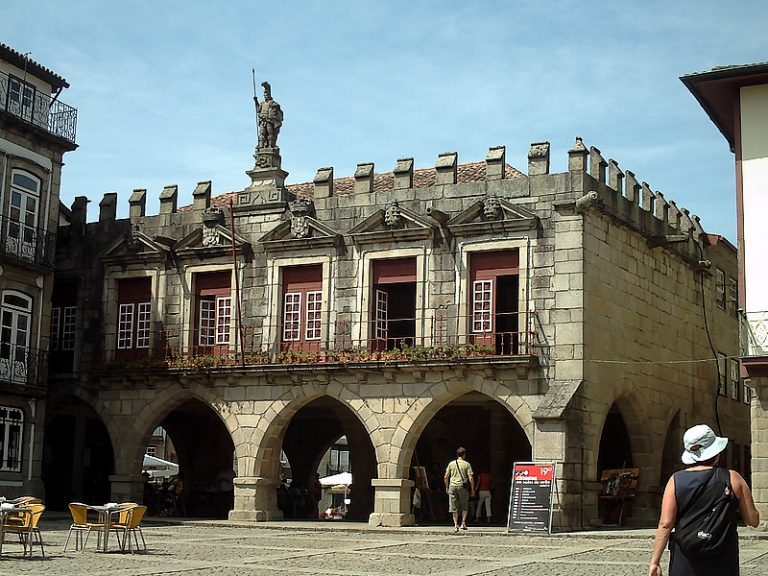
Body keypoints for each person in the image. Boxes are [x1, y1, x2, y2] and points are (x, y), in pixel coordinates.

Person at [648, 424, 759, 576]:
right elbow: (752, 520)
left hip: (685, 561)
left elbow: (666, 524)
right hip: (723, 561)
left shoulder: (676, 480)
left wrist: (655, 562)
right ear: (716, 453)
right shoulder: (733, 478)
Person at [444, 446, 475, 533]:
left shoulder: (451, 464)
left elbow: (446, 476)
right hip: (462, 486)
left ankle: (455, 525)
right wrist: (472, 489)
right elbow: (470, 478)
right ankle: (463, 522)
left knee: (453, 506)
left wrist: (447, 487)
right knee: (464, 505)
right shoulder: (467, 464)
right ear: (464, 455)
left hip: (452, 486)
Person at [254, 81, 283, 149]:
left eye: (266, 95)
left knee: (270, 133)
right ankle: (261, 145)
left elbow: (276, 108)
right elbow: (258, 110)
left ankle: (271, 145)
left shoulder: (272, 103)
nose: (265, 96)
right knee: (262, 132)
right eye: (264, 95)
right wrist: (256, 101)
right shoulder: (262, 103)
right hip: (262, 120)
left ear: (269, 95)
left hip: (269, 120)